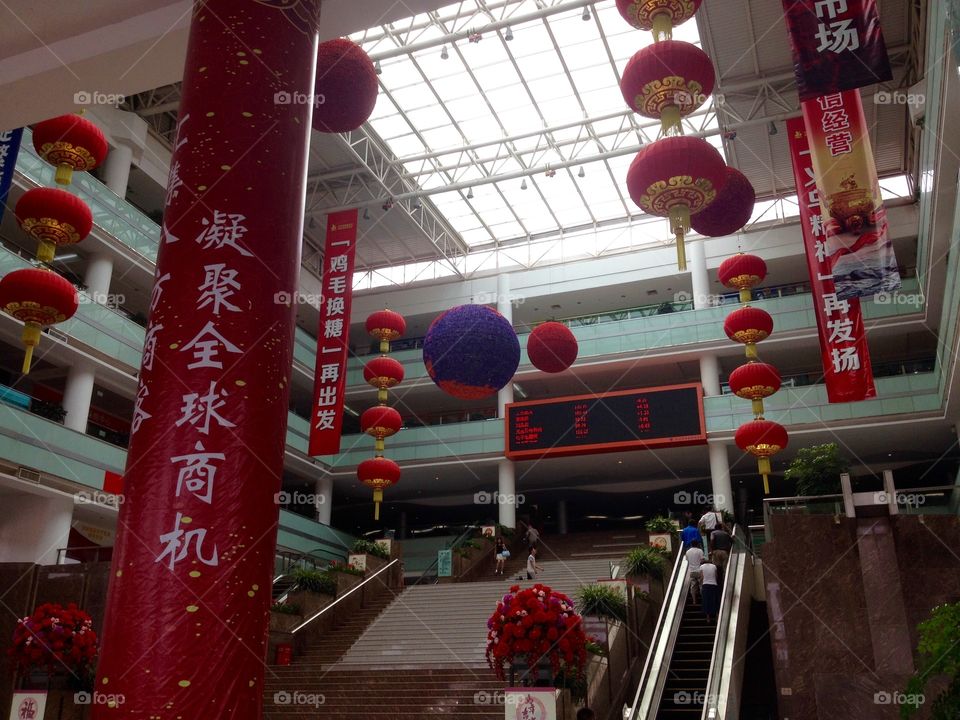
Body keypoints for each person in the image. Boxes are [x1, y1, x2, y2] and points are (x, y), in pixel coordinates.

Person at [700, 554, 720, 623]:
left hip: (705, 585)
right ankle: (717, 615)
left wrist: (701, 584)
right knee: (715, 600)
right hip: (714, 585)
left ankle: (708, 617)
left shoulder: (702, 566)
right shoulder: (714, 566)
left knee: (706, 601)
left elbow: (702, 577)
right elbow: (716, 576)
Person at [685, 539, 704, 605]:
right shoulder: (700, 551)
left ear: (691, 544)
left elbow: (687, 560)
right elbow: (702, 560)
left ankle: (694, 601)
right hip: (699, 571)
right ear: (697, 544)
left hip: (691, 572)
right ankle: (703, 600)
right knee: (701, 585)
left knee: (693, 586)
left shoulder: (688, 552)